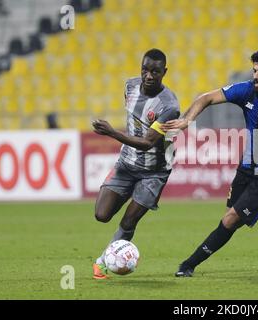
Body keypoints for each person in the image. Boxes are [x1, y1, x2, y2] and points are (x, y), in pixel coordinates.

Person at [161, 48, 258, 277]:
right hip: (247, 167)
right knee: (232, 218)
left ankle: (188, 265)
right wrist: (187, 120)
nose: (256, 76)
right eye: (254, 70)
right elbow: (205, 98)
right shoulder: (247, 90)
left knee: (230, 219)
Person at [91, 48, 180, 279]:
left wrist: (112, 132)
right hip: (126, 164)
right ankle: (114, 246)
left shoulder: (169, 106)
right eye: (145, 69)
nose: (149, 76)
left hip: (154, 171)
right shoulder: (129, 87)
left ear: (164, 72)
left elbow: (148, 143)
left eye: (155, 72)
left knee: (129, 219)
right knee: (101, 214)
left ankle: (104, 262)